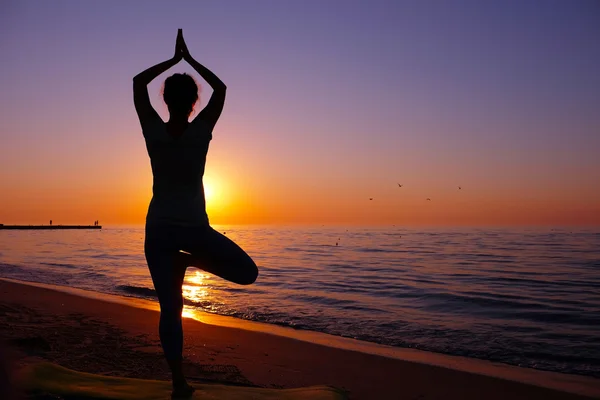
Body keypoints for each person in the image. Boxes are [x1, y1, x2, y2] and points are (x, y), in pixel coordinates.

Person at [133, 29, 258, 398]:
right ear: (192, 103)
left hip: (158, 231)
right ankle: (192, 263)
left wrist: (172, 61)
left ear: (167, 100)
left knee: (170, 310)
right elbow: (220, 91)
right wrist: (190, 60)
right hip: (193, 231)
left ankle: (179, 381)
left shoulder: (153, 130)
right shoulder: (201, 130)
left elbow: (138, 82)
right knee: (247, 273)